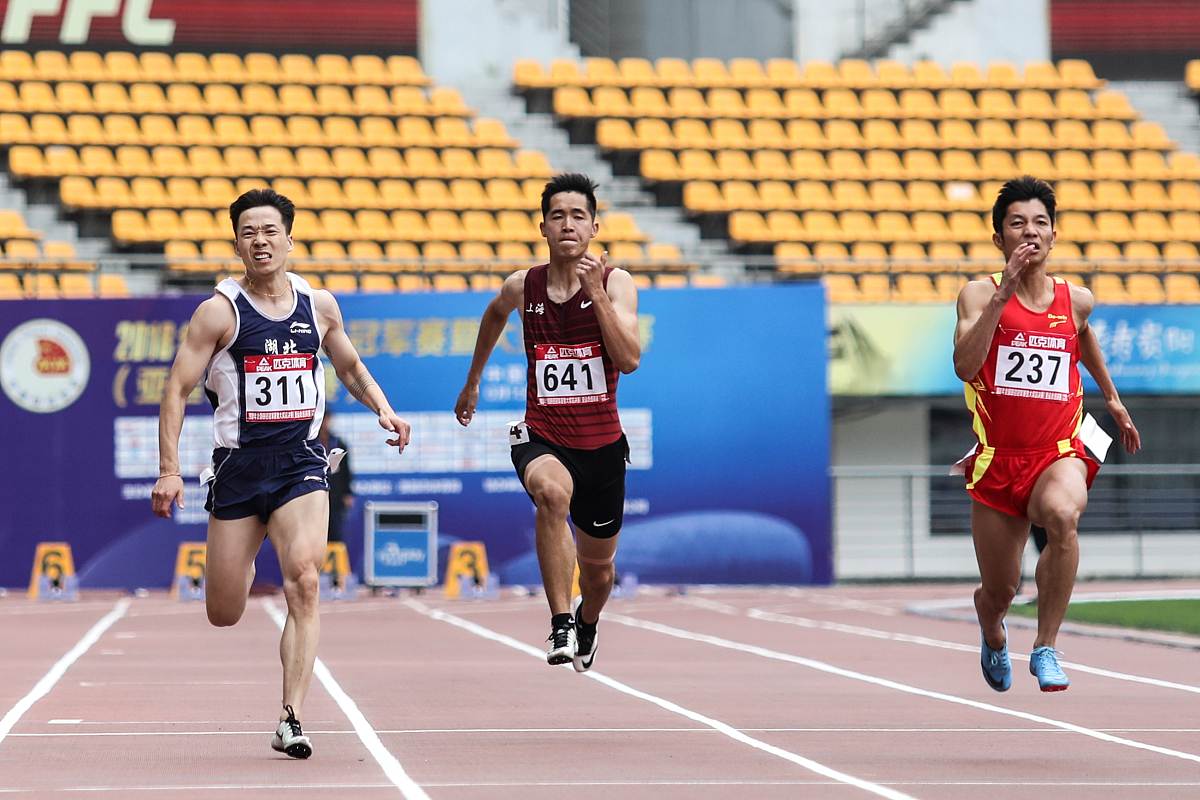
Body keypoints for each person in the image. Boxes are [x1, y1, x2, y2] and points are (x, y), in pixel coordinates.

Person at [151, 188, 410, 757]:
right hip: (239, 470)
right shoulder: (219, 311)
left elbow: (350, 366)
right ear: (237, 243)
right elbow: (176, 389)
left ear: (289, 240)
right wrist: (169, 470)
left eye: (270, 231)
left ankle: (290, 716)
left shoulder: (318, 306)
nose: (260, 241)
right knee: (224, 612)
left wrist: (384, 409)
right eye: (249, 232)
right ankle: (239, 564)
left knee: (306, 580)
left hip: (300, 464)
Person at [953, 176, 1140, 692]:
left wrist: (1113, 398)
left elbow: (1082, 336)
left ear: (1054, 236)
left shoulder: (1075, 298)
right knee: (1001, 589)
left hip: (1060, 448)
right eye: (1017, 224)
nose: (1029, 232)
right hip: (998, 459)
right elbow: (965, 368)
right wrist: (1004, 293)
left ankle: (1046, 647)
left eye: (1040, 223)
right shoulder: (976, 294)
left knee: (1062, 516)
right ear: (1000, 241)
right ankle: (992, 628)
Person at [454, 173, 640, 672]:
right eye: (557, 215)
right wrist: (473, 381)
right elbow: (493, 316)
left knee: (599, 575)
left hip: (602, 448)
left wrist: (595, 293)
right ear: (543, 227)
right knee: (552, 495)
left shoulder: (617, 282)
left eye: (578, 216)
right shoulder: (523, 285)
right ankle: (560, 621)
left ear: (594, 227)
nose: (568, 224)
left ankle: (588, 621)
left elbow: (629, 360)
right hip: (543, 434)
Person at [318, 408, 354, 543]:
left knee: (335, 533)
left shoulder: (338, 444)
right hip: (314, 492)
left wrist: (347, 493)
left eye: (326, 419)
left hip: (335, 495)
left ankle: (334, 563)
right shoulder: (309, 443)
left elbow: (346, 471)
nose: (323, 423)